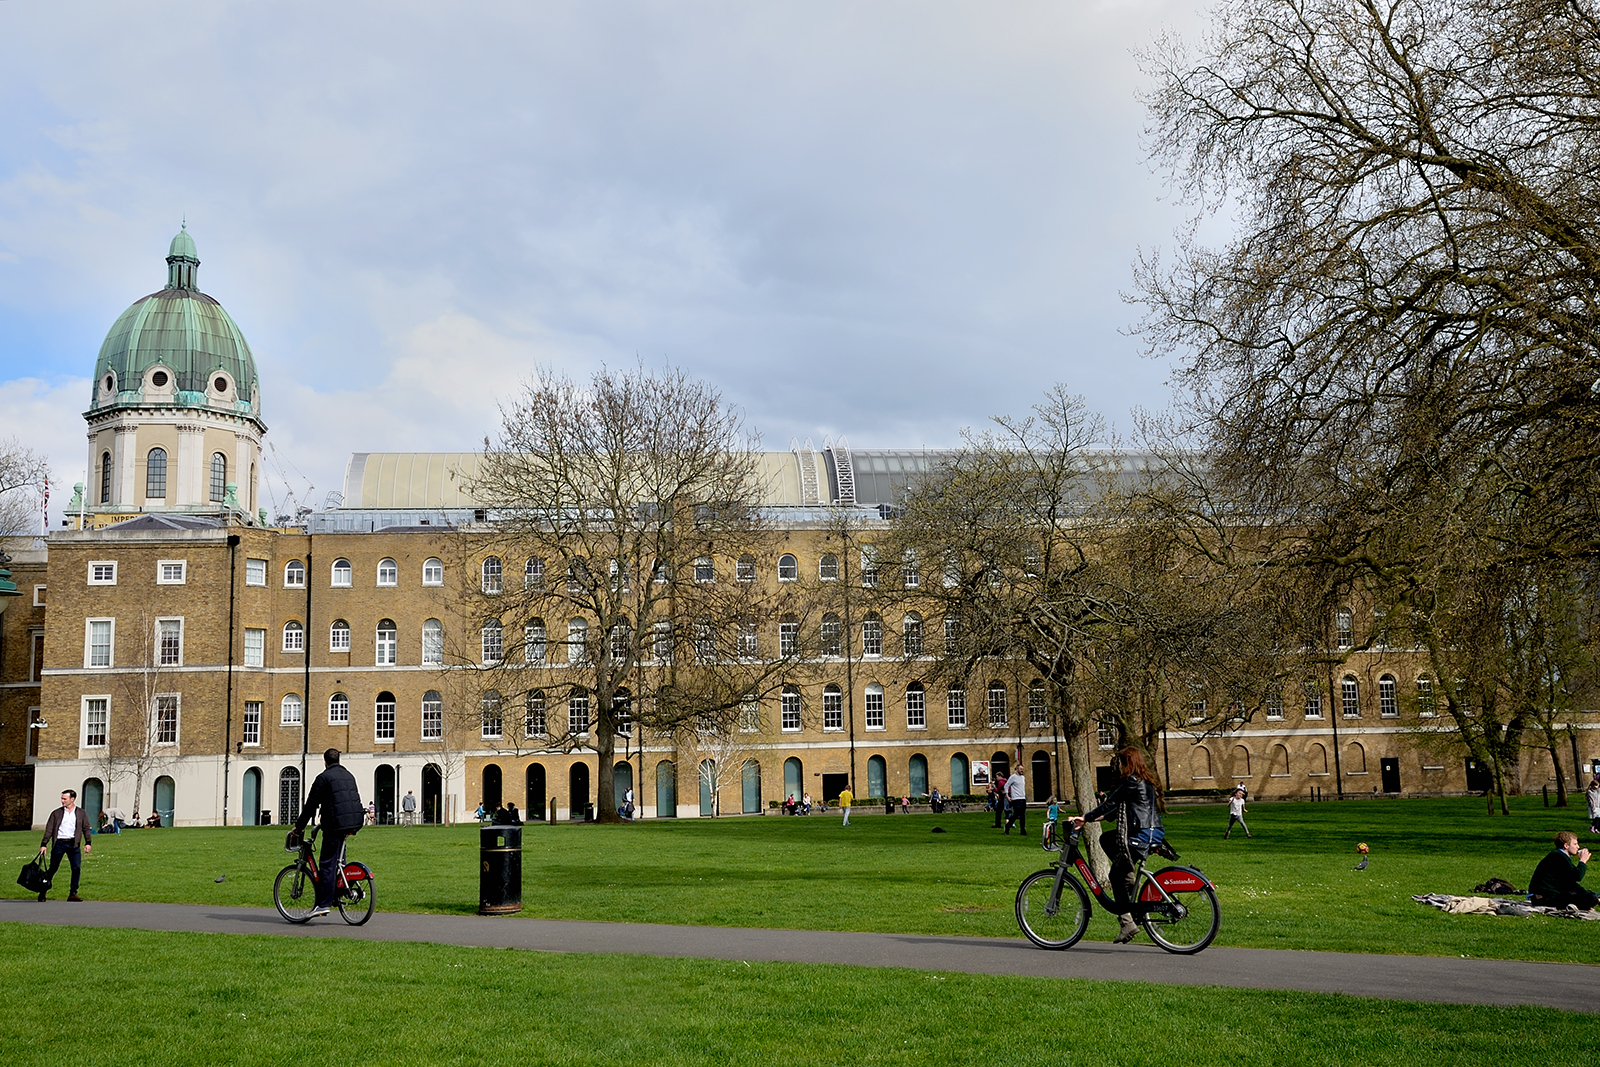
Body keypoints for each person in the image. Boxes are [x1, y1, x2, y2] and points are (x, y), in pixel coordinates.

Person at [1070, 747, 1166, 944]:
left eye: (1121, 763)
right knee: (1106, 839)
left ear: (1127, 763)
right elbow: (1116, 810)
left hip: (1140, 835)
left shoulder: (1131, 781)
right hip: (1151, 832)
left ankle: (1127, 923)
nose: (1119, 767)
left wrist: (1085, 817)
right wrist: (1091, 820)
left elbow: (1110, 802)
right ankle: (1128, 878)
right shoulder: (1144, 782)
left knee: (1114, 875)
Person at [292, 748, 365, 919]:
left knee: (326, 864)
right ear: (339, 760)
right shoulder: (349, 775)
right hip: (352, 823)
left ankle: (323, 904)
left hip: (334, 825)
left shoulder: (323, 778)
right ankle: (340, 891)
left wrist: (299, 827)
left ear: (325, 762)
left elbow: (310, 806)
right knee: (340, 861)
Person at [37, 789, 92, 901]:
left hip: (73, 843)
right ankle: (43, 891)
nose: (62, 801)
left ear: (72, 799)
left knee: (76, 868)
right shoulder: (56, 813)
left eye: (64, 799)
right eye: (61, 798)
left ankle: (73, 893)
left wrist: (88, 843)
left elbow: (86, 828)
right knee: (53, 868)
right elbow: (49, 829)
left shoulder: (81, 813)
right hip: (59, 843)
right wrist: (44, 844)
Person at [1529, 830, 1597, 910]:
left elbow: (1570, 883)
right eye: (1575, 844)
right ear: (1566, 846)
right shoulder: (1558, 857)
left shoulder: (1559, 857)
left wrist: (1590, 893)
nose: (1578, 847)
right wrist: (1582, 861)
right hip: (1544, 898)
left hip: (1544, 896)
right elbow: (1577, 876)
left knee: (1588, 896)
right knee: (1589, 899)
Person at [1003, 767, 1028, 836]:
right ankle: (1007, 826)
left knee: (1022, 815)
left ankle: (1022, 829)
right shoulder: (1013, 777)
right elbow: (1006, 785)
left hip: (1022, 798)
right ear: (1016, 769)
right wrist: (1007, 795)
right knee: (1016, 814)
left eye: (1022, 769)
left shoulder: (1023, 777)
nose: (1022, 770)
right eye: (1020, 769)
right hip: (1016, 799)